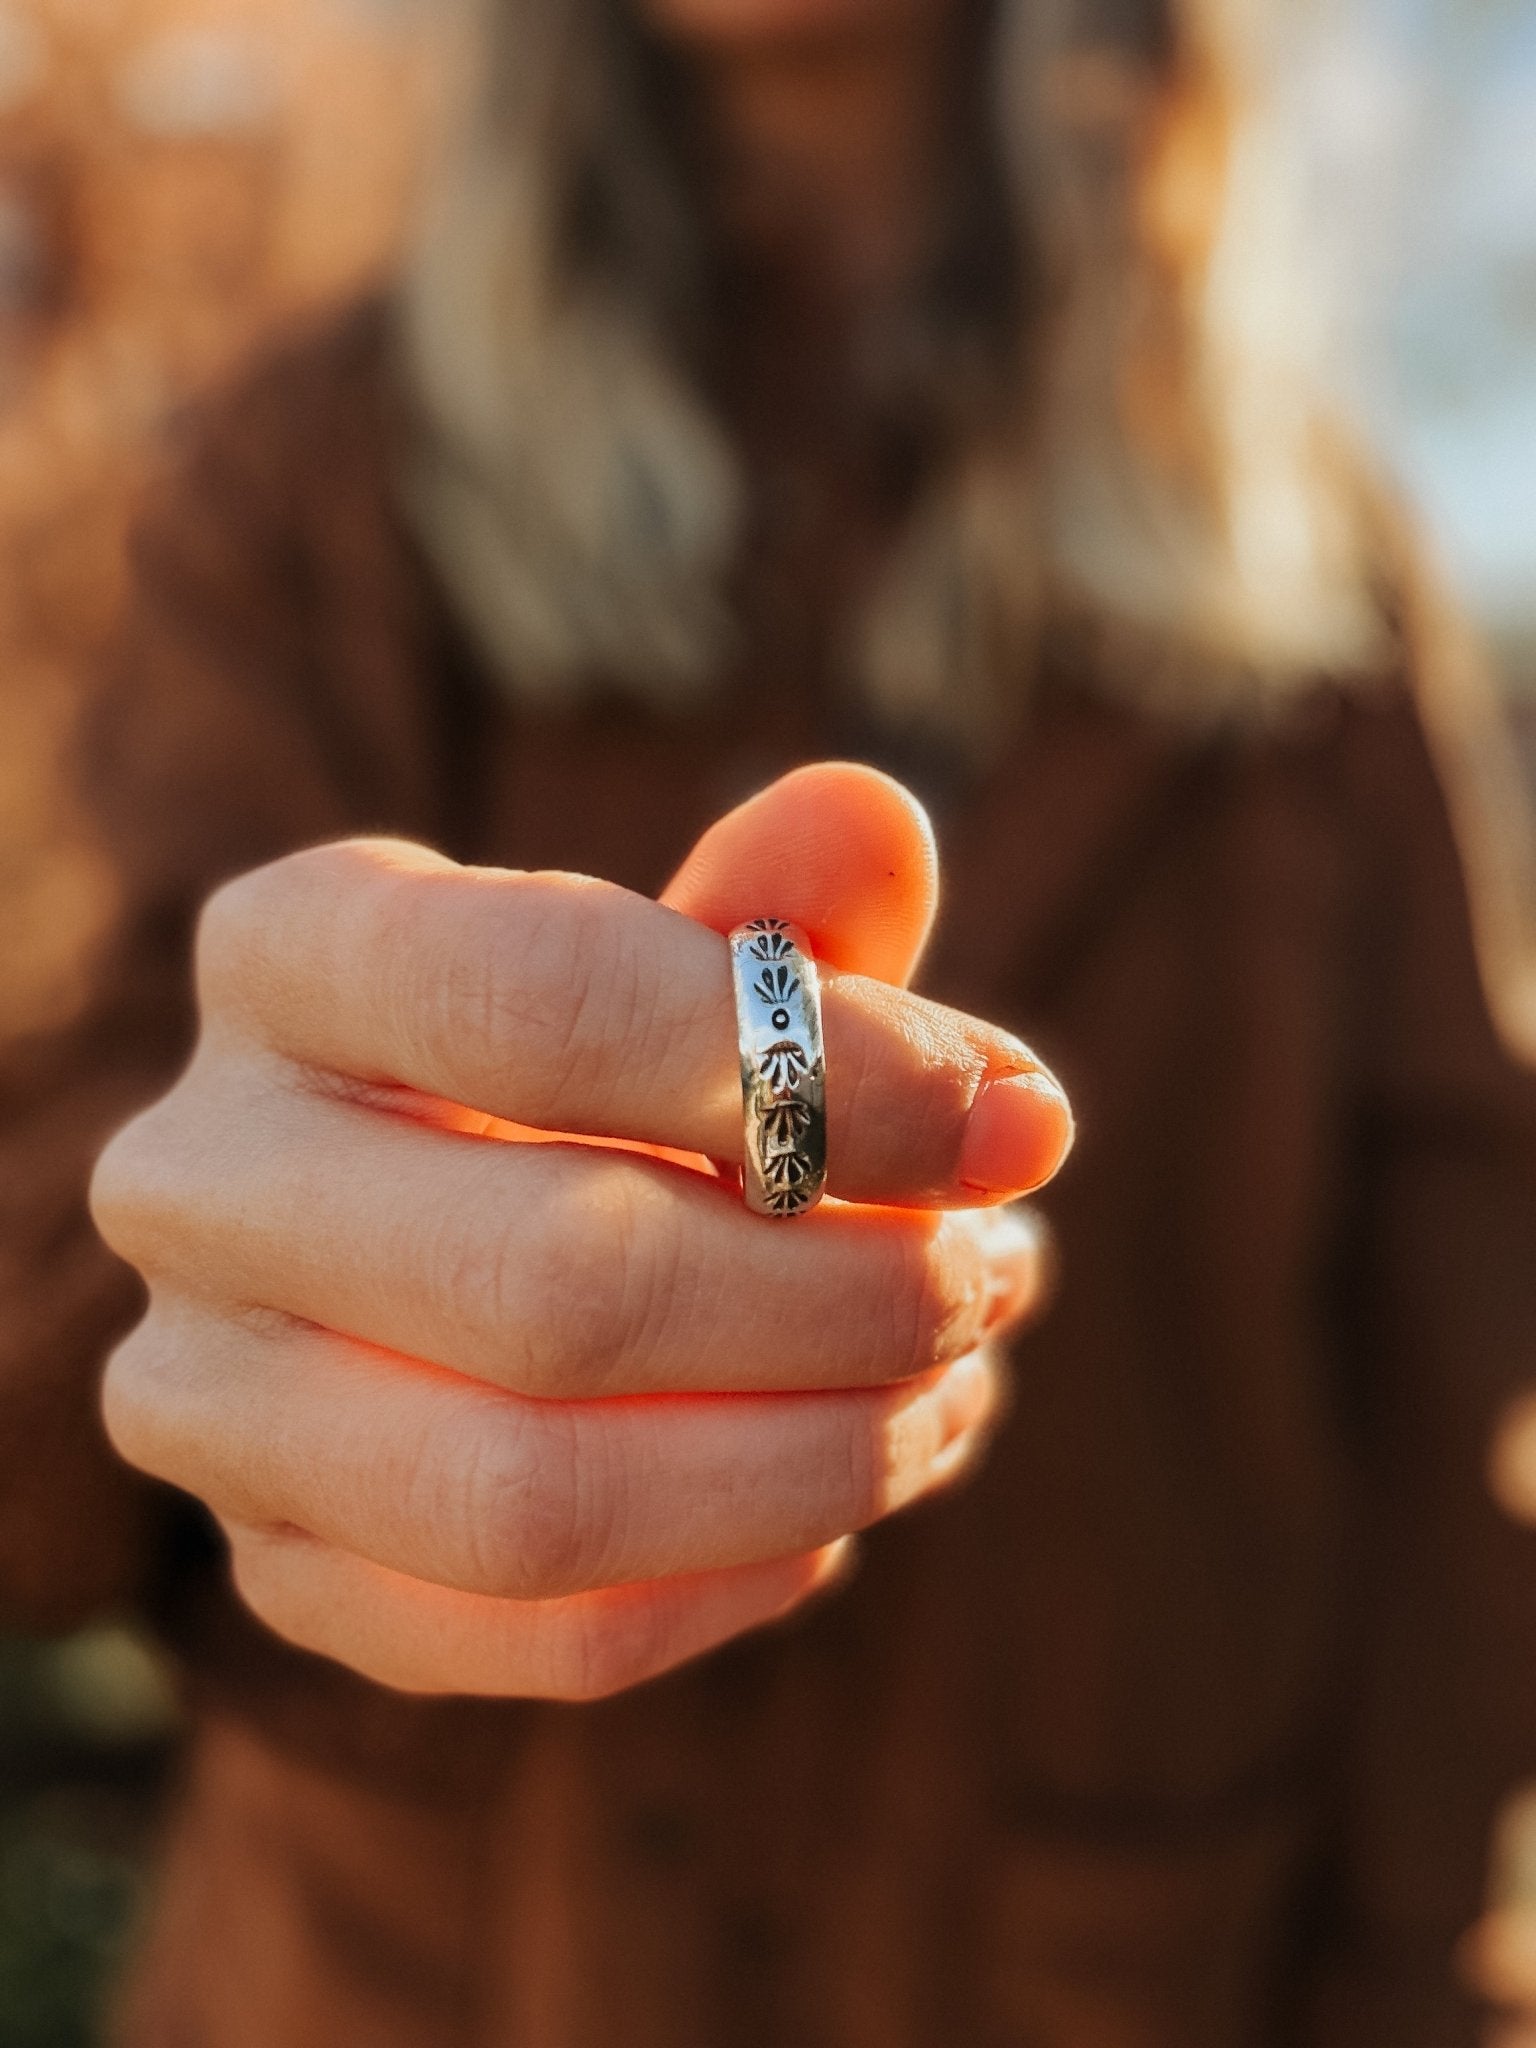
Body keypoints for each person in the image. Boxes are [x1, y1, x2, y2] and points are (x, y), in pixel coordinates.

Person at [3, 0, 1536, 2039]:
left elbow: (1458, 1435)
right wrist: (198, 1253)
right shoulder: (318, 485)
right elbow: (62, 1316)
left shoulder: (1319, 601)